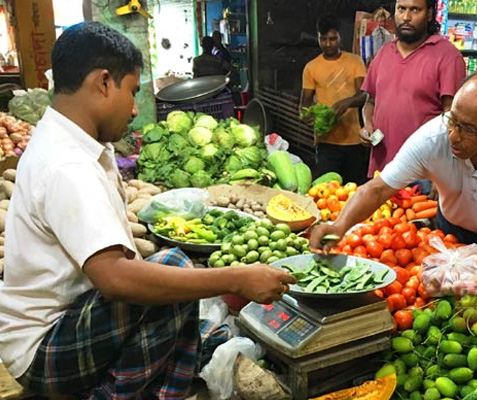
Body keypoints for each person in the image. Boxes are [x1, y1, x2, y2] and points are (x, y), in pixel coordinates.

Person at [0, 22, 295, 399]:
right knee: (171, 269)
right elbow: (116, 280)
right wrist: (234, 278)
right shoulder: (66, 164)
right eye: (133, 92)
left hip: (67, 325)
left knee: (169, 277)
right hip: (44, 349)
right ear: (104, 82)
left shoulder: (76, 142)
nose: (135, 108)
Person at [311, 73, 477, 273]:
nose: (454, 136)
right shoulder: (432, 138)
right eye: (452, 120)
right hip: (450, 234)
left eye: (469, 130)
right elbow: (378, 189)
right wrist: (338, 226)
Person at [360, 0, 466, 179]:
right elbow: (370, 102)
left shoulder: (448, 57)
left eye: (415, 10)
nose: (406, 17)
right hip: (382, 171)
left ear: (430, 14)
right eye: (401, 9)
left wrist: (445, 170)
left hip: (424, 173)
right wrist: (368, 125)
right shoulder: (384, 53)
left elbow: (454, 118)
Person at [300, 14, 368, 185]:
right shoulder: (311, 67)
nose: (328, 44)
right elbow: (305, 103)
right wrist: (306, 115)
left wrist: (346, 103)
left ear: (340, 37)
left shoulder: (355, 62)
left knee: (354, 189)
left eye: (333, 39)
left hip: (353, 140)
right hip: (326, 142)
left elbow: (364, 95)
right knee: (325, 189)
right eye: (323, 39)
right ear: (318, 38)